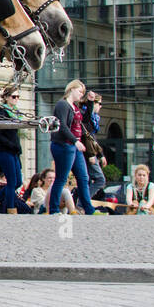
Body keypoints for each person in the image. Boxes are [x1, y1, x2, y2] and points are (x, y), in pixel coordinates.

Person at [48, 80, 96, 216]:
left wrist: (90, 103)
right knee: (61, 178)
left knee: (83, 177)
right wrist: (75, 141)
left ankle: (89, 209)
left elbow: (85, 120)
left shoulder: (74, 107)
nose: (81, 94)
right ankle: (54, 209)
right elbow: (62, 125)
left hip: (74, 146)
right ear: (71, 89)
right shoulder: (62, 105)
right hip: (64, 145)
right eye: (80, 91)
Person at [0, 87, 33, 214]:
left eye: (17, 97)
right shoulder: (2, 112)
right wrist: (11, 145)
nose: (16, 99)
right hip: (4, 151)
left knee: (18, 182)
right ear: (6, 97)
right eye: (13, 97)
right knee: (12, 181)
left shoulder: (15, 112)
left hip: (13, 151)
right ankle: (11, 209)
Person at [79, 90, 107, 198]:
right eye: (99, 103)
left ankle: (82, 203)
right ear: (93, 103)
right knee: (100, 179)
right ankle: (83, 202)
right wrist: (91, 155)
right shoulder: (85, 115)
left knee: (87, 180)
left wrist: (100, 154)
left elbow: (92, 138)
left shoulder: (94, 118)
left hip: (89, 152)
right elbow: (85, 136)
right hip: (86, 152)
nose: (100, 106)